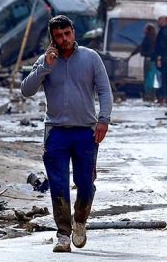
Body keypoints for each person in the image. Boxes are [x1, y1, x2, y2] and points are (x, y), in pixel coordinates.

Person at [20, 15, 113, 253]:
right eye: (58, 36)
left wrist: (104, 119)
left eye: (67, 34)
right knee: (58, 185)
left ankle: (80, 220)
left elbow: (104, 90)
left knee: (85, 183)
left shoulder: (91, 58)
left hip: (86, 132)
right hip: (56, 133)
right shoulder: (45, 61)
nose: (64, 39)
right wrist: (45, 67)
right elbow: (26, 90)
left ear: (73, 32)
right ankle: (62, 234)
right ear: (52, 39)